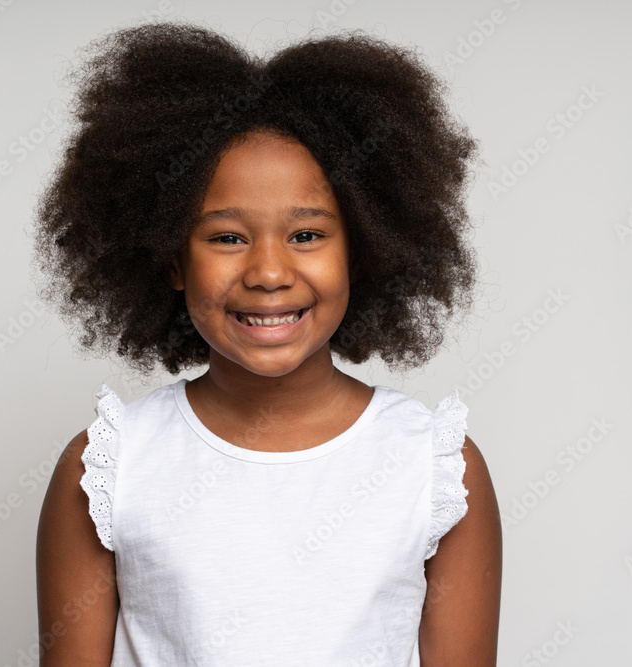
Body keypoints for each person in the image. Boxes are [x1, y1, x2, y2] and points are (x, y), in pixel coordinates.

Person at [33, 19, 501, 666]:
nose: (270, 272)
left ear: (363, 248)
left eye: (307, 235)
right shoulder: (111, 470)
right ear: (172, 259)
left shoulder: (435, 468)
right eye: (227, 237)